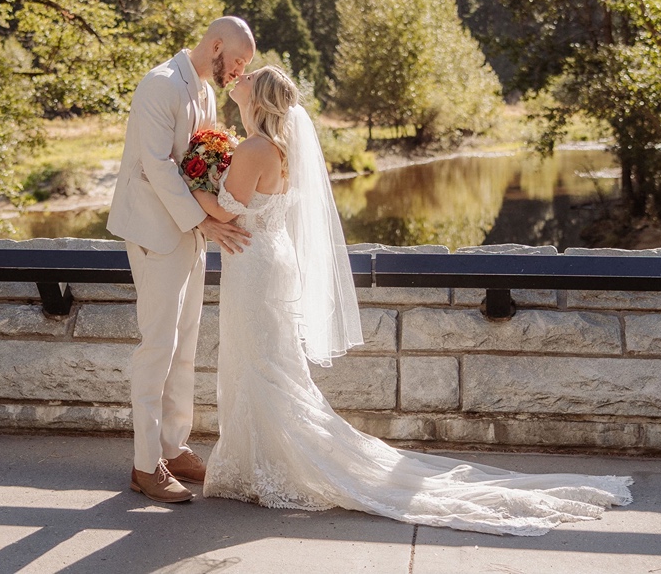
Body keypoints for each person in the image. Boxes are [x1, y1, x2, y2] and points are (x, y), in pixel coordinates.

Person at [191, 65, 634, 535]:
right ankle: (257, 462)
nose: (236, 82)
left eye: (245, 81)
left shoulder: (255, 148)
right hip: (268, 260)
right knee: (269, 363)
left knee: (260, 363)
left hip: (254, 264)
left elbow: (226, 211)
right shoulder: (280, 148)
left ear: (257, 99)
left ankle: (263, 466)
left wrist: (189, 185)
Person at [108, 17, 256, 503]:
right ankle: (145, 466)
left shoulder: (207, 92)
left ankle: (173, 447)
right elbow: (158, 164)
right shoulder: (160, 85)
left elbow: (202, 161)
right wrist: (203, 221)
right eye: (235, 61)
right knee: (157, 346)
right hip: (157, 231)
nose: (236, 72)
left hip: (191, 231)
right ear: (215, 45)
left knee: (186, 344)